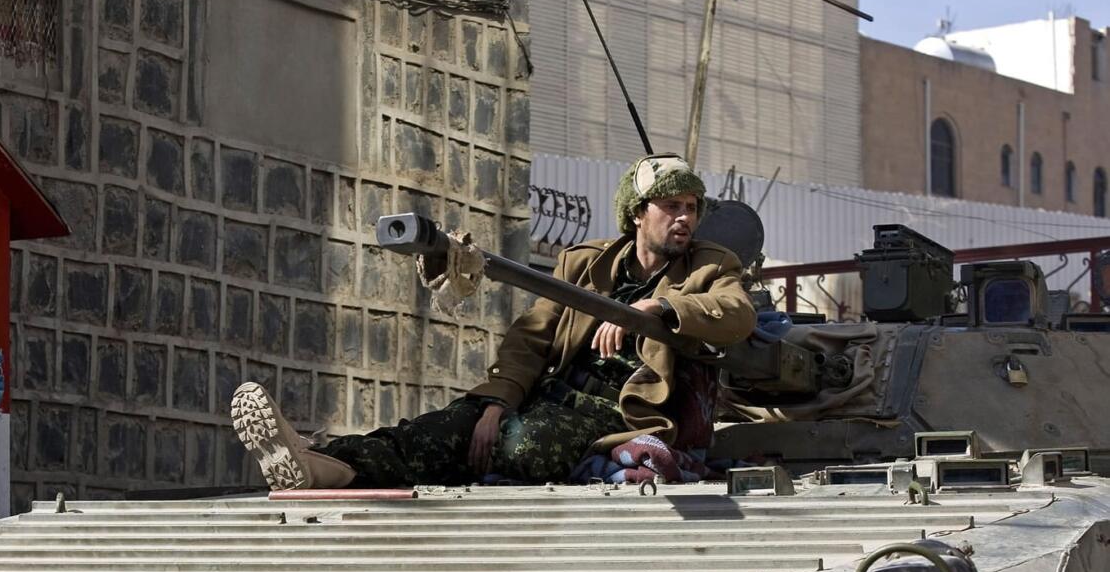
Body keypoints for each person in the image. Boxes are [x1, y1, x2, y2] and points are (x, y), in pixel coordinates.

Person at [231, 154, 756, 490]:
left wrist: (661, 310)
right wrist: (498, 402)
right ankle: (324, 465)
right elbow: (529, 340)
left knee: (522, 445)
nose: (685, 217)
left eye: (691, 206)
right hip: (548, 397)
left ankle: (340, 465)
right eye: (671, 205)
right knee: (440, 430)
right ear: (638, 213)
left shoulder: (712, 266)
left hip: (616, 410)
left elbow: (735, 314)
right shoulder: (585, 262)